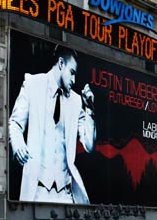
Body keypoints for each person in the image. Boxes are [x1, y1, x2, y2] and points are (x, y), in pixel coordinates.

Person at [9, 45, 96, 204]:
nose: (74, 80)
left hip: (65, 193)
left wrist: (90, 109)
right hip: (38, 189)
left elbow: (89, 145)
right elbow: (15, 122)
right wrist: (18, 144)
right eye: (72, 73)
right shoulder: (32, 84)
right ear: (61, 63)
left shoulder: (76, 101)